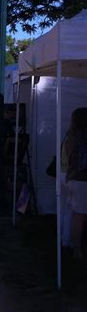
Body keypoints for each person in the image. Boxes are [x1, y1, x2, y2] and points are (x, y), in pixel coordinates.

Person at [64, 107, 87, 260]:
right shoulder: (83, 137)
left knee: (74, 215)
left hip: (72, 177)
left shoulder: (70, 135)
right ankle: (77, 250)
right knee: (80, 215)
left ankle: (73, 245)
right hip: (81, 179)